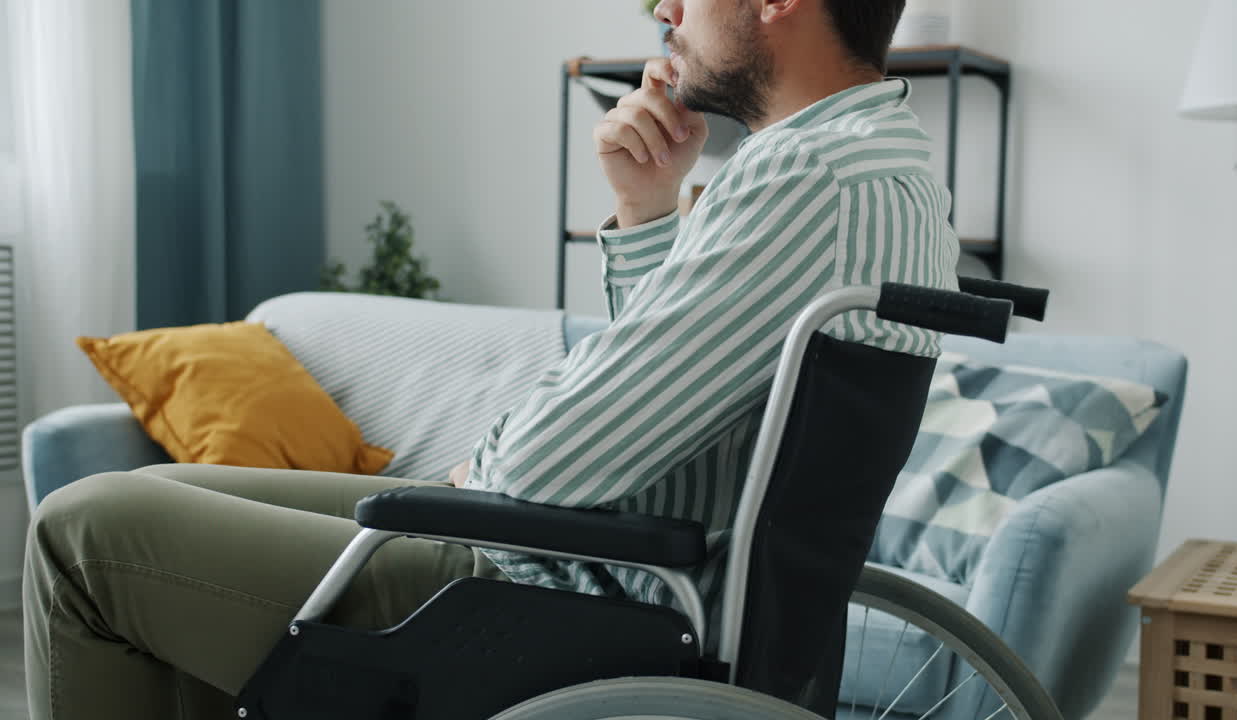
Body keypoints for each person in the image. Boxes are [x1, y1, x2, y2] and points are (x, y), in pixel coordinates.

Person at [23, 0, 955, 717]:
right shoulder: (880, 167)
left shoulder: (806, 177)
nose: (665, 11)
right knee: (194, 493)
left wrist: (487, 466)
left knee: (85, 531)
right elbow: (683, 394)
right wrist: (645, 210)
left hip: (560, 593)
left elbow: (552, 466)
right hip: (621, 571)